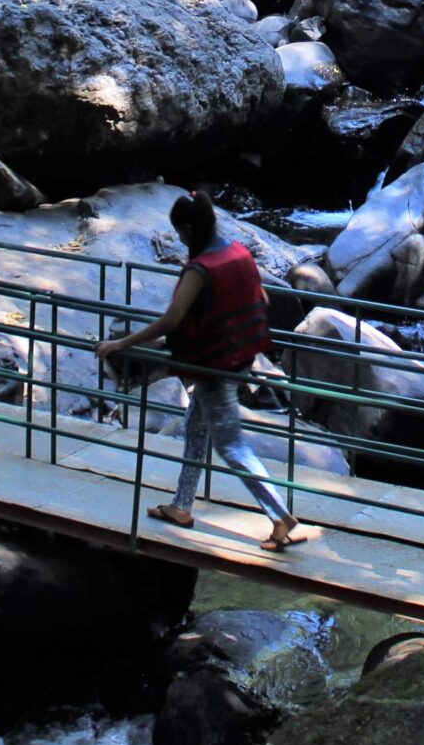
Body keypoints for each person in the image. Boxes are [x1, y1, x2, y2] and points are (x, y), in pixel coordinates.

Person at [96, 191, 307, 552]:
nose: (178, 238)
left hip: (215, 367)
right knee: (196, 428)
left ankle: (280, 515)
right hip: (241, 357)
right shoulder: (238, 251)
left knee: (231, 446)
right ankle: (181, 506)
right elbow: (263, 299)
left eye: (179, 231)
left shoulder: (199, 269)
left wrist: (121, 344)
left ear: (190, 228)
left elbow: (171, 320)